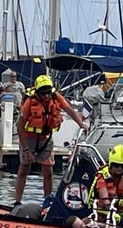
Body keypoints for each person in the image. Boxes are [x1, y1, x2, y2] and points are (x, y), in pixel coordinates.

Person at [14, 74, 88, 205]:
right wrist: (25, 149)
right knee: (24, 169)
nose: (46, 96)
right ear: (37, 92)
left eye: (48, 92)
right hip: (29, 138)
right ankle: (17, 201)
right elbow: (19, 126)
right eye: (43, 93)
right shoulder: (29, 102)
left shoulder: (56, 97)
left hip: (46, 139)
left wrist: (81, 124)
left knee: (48, 171)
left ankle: (47, 201)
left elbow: (69, 110)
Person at [86, 144, 123, 220]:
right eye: (116, 165)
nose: (120, 168)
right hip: (103, 212)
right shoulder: (103, 175)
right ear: (111, 164)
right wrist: (113, 214)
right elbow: (105, 199)